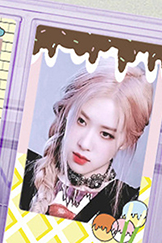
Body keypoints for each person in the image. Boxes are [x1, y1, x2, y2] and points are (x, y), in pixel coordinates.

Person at [21, 63, 153, 222]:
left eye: (105, 134)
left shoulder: (131, 208)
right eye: (81, 121)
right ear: (67, 112)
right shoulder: (20, 168)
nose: (84, 144)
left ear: (127, 140)